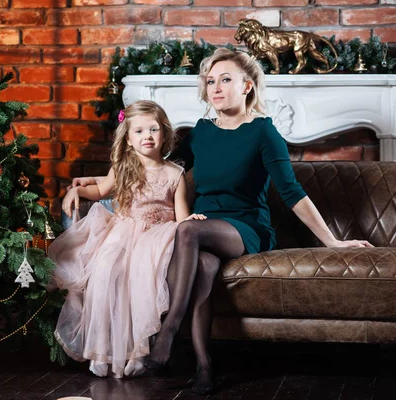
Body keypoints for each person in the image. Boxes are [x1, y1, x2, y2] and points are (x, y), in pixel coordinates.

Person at [138, 48, 374, 394]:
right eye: (210, 81)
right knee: (203, 267)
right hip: (205, 226)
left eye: (226, 79)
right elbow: (159, 167)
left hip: (247, 227)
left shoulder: (263, 132)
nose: (215, 87)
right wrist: (104, 185)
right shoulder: (201, 133)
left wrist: (333, 242)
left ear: (248, 86)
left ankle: (170, 328)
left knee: (187, 229)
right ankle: (204, 368)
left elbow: (292, 192)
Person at [48, 100, 206, 379]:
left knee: (142, 282)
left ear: (165, 134)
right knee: (106, 273)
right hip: (123, 231)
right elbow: (100, 191)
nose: (147, 136)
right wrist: (77, 193)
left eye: (154, 129)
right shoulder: (122, 167)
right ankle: (101, 351)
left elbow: (181, 217)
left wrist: (191, 222)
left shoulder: (175, 174)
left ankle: (137, 353)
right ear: (129, 139)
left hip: (159, 236)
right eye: (139, 131)